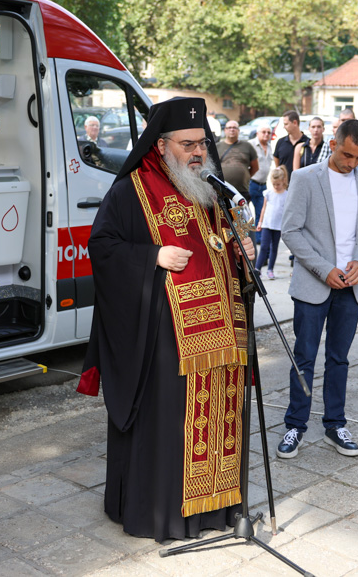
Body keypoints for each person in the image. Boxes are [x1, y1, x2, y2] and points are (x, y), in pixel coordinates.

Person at [77, 97, 256, 541]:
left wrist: (242, 253)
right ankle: (167, 514)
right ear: (160, 145)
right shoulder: (131, 191)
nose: (198, 152)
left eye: (202, 143)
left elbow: (220, 248)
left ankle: (214, 511)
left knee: (220, 421)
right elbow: (101, 248)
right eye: (188, 144)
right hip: (165, 340)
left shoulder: (209, 189)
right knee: (172, 430)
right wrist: (152, 256)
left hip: (221, 334)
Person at [277, 119, 358, 459]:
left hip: (351, 286)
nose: (352, 163)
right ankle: (295, 425)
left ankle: (335, 424)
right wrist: (324, 270)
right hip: (314, 284)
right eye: (347, 154)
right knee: (305, 357)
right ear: (334, 143)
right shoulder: (304, 177)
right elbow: (291, 231)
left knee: (339, 359)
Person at [255, 166, 289, 279]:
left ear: (283, 181)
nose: (276, 186)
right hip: (267, 224)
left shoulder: (286, 194)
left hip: (278, 225)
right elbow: (264, 208)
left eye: (278, 184)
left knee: (274, 247)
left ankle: (270, 269)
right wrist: (260, 222)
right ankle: (257, 269)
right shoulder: (268, 193)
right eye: (274, 184)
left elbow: (286, 211)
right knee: (264, 247)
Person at [218, 119, 259, 201]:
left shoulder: (247, 146)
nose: (232, 130)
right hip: (222, 190)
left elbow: (255, 167)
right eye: (229, 128)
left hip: (241, 191)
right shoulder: (217, 147)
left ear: (238, 131)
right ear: (225, 130)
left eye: (234, 128)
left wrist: (245, 176)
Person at [248, 124, 273, 243]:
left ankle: (258, 239)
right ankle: (246, 237)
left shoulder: (269, 146)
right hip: (251, 183)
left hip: (263, 184)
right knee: (245, 212)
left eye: (268, 132)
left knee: (261, 212)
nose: (266, 134)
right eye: (263, 132)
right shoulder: (251, 145)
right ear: (258, 133)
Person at [273, 110, 307, 178]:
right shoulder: (280, 142)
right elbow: (277, 162)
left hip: (301, 184)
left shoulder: (307, 143)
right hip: (284, 185)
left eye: (286, 124)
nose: (284, 127)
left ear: (295, 123)